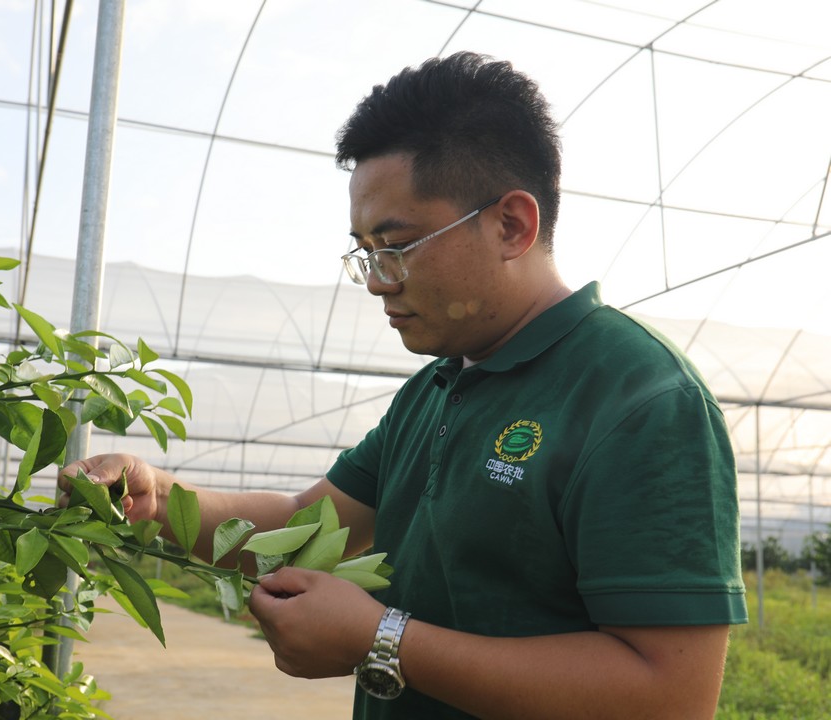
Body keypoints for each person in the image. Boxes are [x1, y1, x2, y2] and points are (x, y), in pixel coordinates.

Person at [59, 52, 747, 719]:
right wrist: (159, 495)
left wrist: (383, 638)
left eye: (397, 246)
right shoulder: (436, 390)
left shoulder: (640, 400)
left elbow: (671, 698)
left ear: (511, 224)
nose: (379, 281)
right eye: (365, 253)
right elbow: (304, 526)